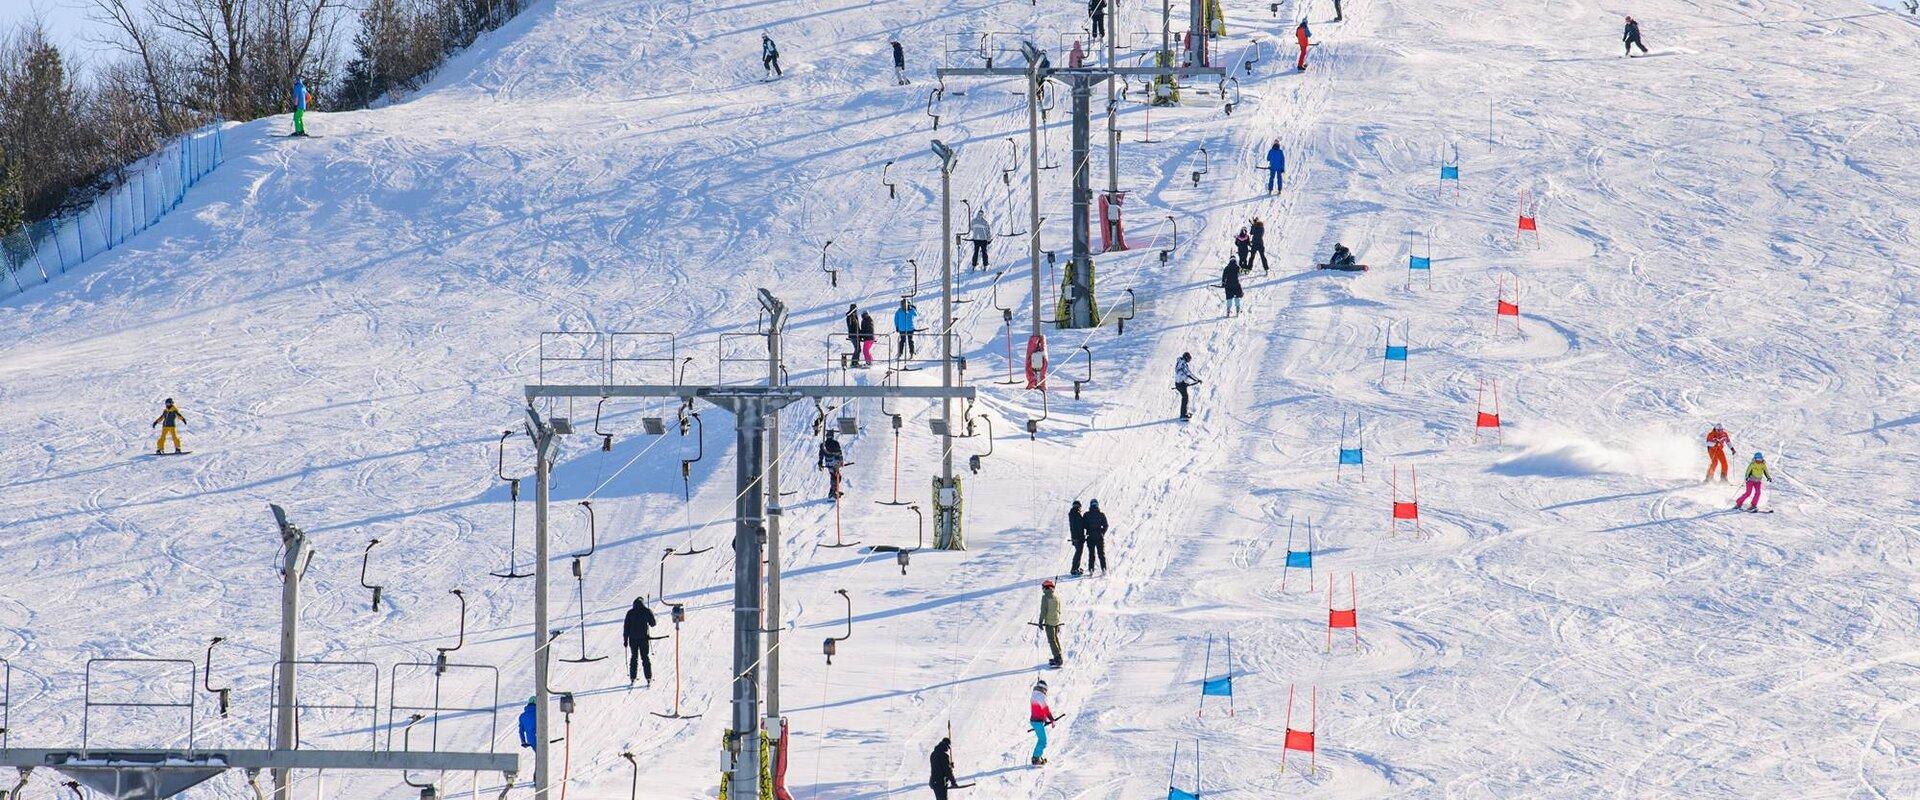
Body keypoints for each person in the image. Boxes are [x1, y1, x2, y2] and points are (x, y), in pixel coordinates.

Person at [621, 597, 657, 685]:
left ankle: (632, 677)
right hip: (643, 638)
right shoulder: (646, 611)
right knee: (645, 657)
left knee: (634, 657)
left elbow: (626, 627)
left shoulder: (630, 613)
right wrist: (649, 615)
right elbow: (653, 624)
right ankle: (648, 677)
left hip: (632, 639)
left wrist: (625, 640)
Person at [1028, 680, 1059, 766]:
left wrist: (1044, 720)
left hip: (1036, 721)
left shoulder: (1034, 695)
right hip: (1037, 721)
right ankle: (1036, 758)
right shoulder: (1040, 696)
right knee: (1043, 740)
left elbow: (1038, 710)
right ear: (1044, 688)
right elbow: (1045, 709)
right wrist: (1052, 719)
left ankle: (1038, 756)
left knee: (1041, 739)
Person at [1038, 580, 1063, 667]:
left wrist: (1041, 621)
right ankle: (1059, 656)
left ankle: (1058, 658)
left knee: (1051, 640)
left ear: (1045, 588)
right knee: (1055, 639)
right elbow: (1058, 611)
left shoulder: (1045, 597)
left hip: (1049, 623)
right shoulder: (1056, 598)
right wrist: (1057, 622)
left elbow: (1043, 611)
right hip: (1056, 621)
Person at [818, 430, 846, 499]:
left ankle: (833, 491)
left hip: (828, 462)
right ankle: (833, 492)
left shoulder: (823, 444)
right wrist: (841, 461)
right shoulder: (835, 443)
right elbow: (839, 453)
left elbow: (821, 455)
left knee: (834, 476)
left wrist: (820, 462)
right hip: (835, 462)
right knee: (836, 477)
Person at [1083, 500, 1109, 573]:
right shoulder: (1101, 514)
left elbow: (1083, 525)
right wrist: (1102, 532)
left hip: (1090, 537)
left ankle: (1091, 569)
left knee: (1091, 554)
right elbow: (1106, 525)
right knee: (1101, 553)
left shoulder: (1087, 514)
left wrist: (1087, 529)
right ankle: (1103, 568)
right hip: (1099, 537)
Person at [1173, 353, 1200, 419]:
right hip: (1180, 384)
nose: (1189, 360)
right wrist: (1197, 380)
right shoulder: (1183, 364)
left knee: (1185, 397)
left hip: (1179, 383)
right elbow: (1188, 374)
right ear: (1186, 358)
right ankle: (1183, 415)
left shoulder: (1180, 362)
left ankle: (1184, 413)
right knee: (1185, 398)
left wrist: (1186, 382)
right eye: (1189, 358)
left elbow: (1182, 374)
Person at [1068, 501, 1087, 576]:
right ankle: (1074, 569)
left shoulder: (1072, 514)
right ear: (1078, 507)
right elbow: (1081, 525)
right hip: (1078, 537)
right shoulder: (1077, 514)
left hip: (1074, 537)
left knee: (1078, 552)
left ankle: (1075, 568)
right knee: (1078, 553)